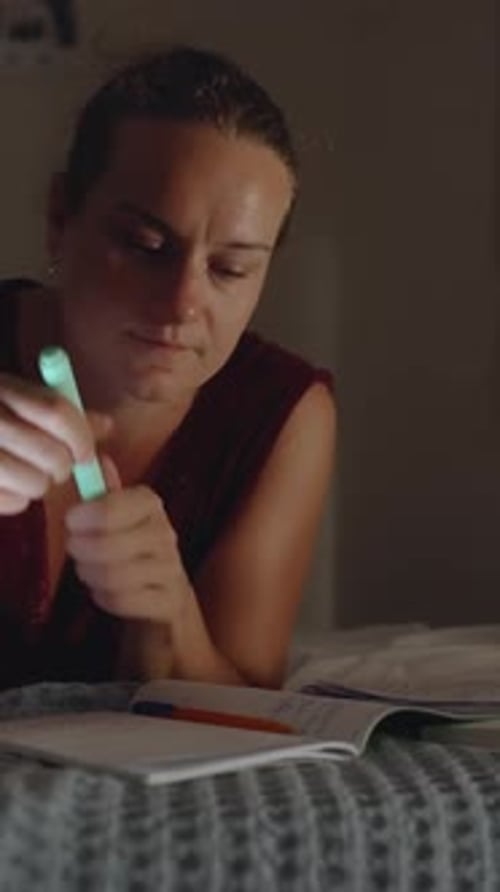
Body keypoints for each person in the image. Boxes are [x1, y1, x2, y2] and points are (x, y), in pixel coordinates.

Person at [0, 45, 335, 690]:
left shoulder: (281, 412)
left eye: (230, 269)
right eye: (145, 246)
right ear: (59, 219)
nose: (184, 304)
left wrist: (170, 620)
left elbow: (246, 707)